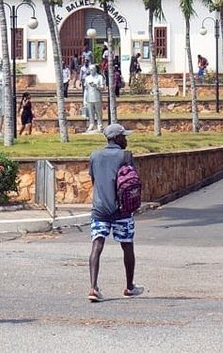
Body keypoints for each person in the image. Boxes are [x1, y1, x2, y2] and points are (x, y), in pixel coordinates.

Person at [87, 123, 142, 302]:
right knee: (127, 245)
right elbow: (132, 180)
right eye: (124, 136)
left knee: (97, 245)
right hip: (122, 210)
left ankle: (93, 288)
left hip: (100, 209)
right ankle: (129, 286)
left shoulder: (94, 155)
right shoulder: (126, 155)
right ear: (116, 138)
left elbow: (94, 180)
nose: (126, 139)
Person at [82, 67, 105, 132]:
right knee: (90, 113)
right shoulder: (87, 78)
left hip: (97, 97)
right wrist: (84, 100)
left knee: (98, 112)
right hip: (89, 98)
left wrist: (96, 86)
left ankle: (99, 124)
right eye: (90, 70)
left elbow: (103, 88)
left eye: (92, 69)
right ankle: (91, 124)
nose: (91, 71)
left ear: (95, 70)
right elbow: (86, 90)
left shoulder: (100, 77)